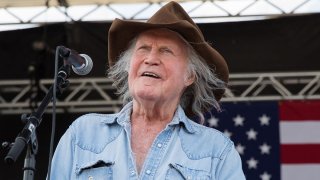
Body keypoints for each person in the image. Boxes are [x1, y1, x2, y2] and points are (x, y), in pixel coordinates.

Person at [49, 1, 245, 179]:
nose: (150, 59)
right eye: (143, 48)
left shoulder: (217, 152)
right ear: (128, 66)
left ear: (190, 76)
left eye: (166, 51)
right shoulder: (83, 134)